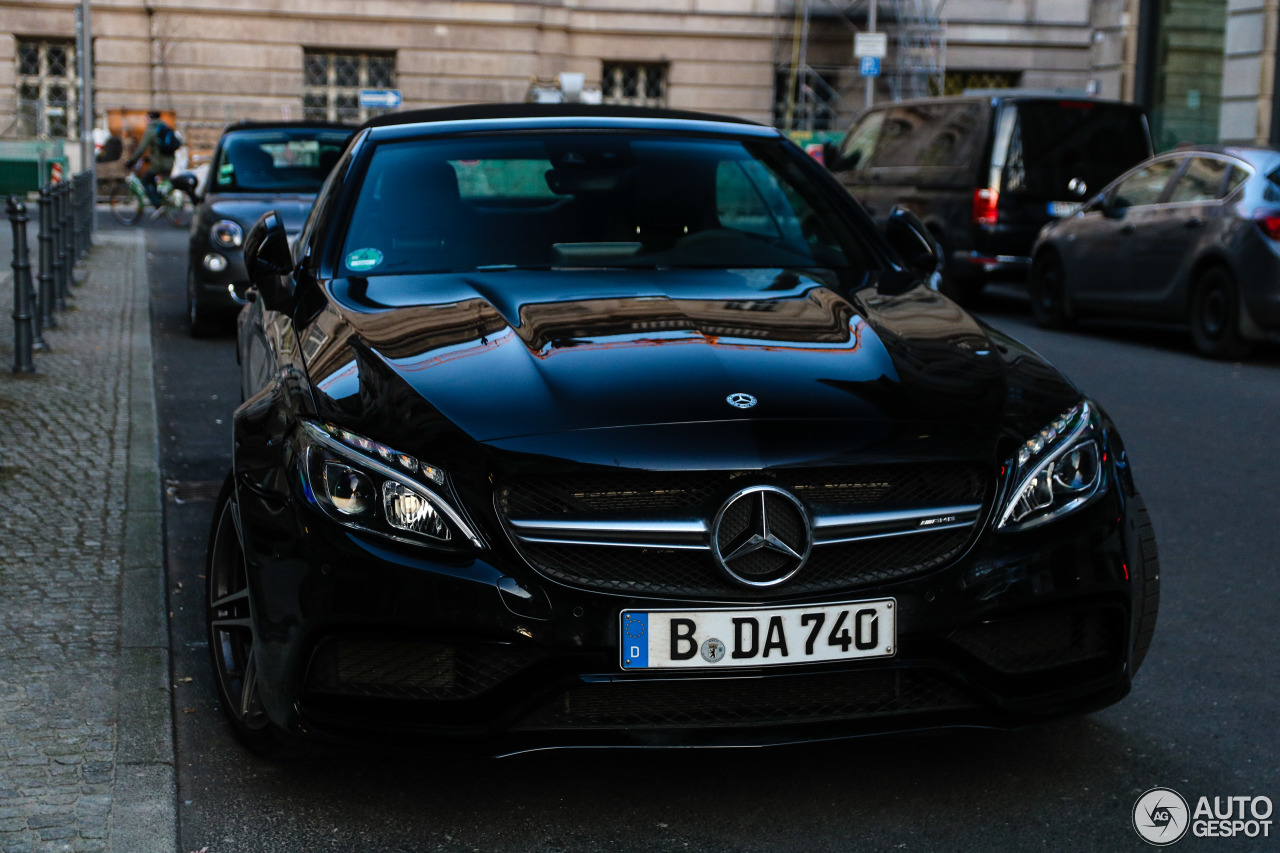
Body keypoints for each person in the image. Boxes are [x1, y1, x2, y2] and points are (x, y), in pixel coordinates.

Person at [124, 111, 177, 209]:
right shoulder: (165, 127)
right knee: (161, 181)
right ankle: (164, 201)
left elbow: (141, 148)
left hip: (159, 164)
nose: (145, 121)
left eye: (146, 118)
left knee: (145, 180)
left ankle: (157, 204)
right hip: (169, 162)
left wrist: (132, 161)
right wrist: (149, 157)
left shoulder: (151, 130)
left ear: (150, 118)